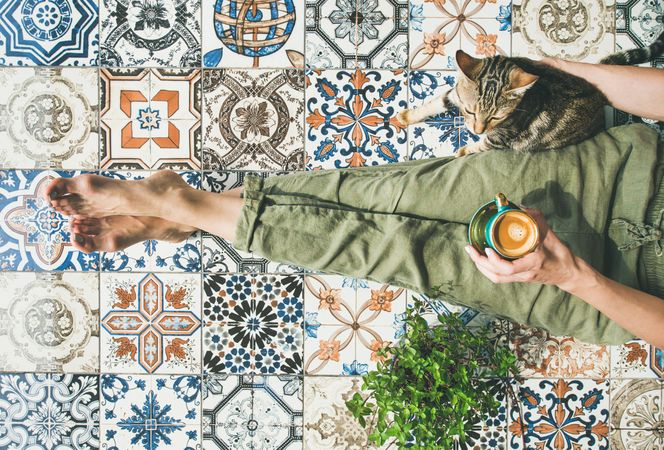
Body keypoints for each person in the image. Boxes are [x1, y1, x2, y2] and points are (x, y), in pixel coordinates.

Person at [44, 59, 664, 348]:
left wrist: (573, 277)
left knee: (398, 252)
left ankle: (186, 209)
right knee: (392, 192)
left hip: (612, 284)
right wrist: (553, 69)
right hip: (617, 171)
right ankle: (186, 206)